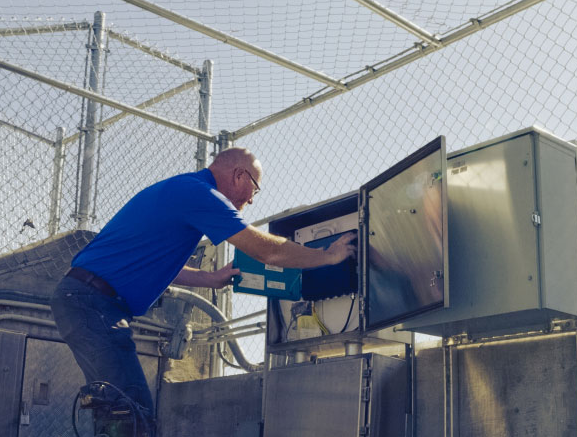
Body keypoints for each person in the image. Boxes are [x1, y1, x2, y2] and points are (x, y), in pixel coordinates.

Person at [50, 146, 356, 419]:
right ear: (239, 174)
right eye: (254, 191)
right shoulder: (200, 194)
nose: (249, 201)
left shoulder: (183, 190)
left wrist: (210, 279)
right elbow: (266, 251)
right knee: (131, 410)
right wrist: (328, 256)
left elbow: (157, 264)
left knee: (118, 405)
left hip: (87, 300)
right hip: (94, 303)